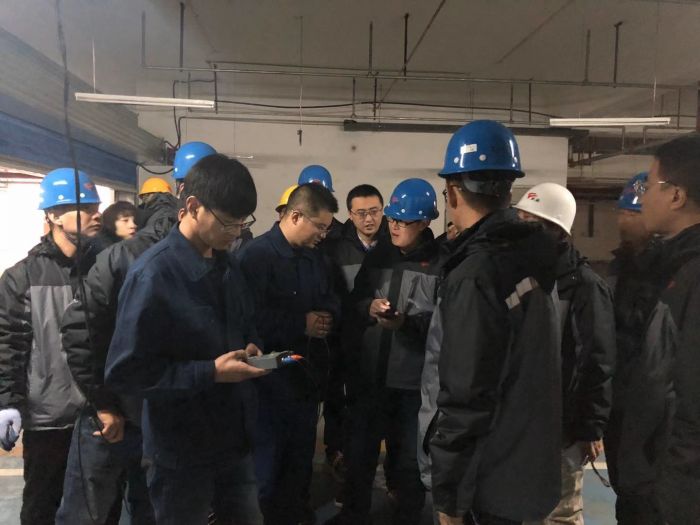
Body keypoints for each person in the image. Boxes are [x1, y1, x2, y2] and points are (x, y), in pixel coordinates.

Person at [104, 154, 266, 525]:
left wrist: (251, 345)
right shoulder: (153, 276)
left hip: (233, 440)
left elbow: (244, 322)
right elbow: (126, 373)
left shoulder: (228, 265)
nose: (237, 232)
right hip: (181, 452)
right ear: (192, 207)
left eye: (243, 222)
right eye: (228, 222)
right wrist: (210, 372)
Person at [422, 120, 562, 525]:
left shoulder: (477, 273)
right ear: (508, 189)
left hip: (487, 484)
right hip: (527, 469)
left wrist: (449, 497)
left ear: (452, 192)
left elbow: (467, 394)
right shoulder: (534, 254)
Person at [56, 169, 181, 524]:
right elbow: (80, 331)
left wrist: (103, 403)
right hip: (122, 413)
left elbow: (79, 332)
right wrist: (104, 405)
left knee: (97, 509)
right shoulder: (121, 257)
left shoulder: (119, 256)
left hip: (127, 411)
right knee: (127, 507)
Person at [327, 178, 442, 525]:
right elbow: (354, 302)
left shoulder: (441, 263)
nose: (392, 226)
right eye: (391, 219)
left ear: (425, 222)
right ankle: (353, 515)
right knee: (360, 455)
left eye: (402, 221)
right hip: (370, 381)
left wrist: (406, 323)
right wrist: (368, 307)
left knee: (408, 463)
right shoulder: (379, 256)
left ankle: (406, 518)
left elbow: (445, 327)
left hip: (413, 387)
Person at [0, 168, 102, 525]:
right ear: (54, 215)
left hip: (99, 414)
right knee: (42, 506)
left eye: (95, 206)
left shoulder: (103, 268)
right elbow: (8, 344)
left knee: (99, 508)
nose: (96, 214)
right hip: (48, 420)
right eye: (84, 207)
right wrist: (8, 402)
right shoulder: (22, 277)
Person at [238, 183, 340, 525]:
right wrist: (300, 323)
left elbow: (329, 296)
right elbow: (246, 320)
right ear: (295, 216)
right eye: (319, 227)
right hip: (266, 388)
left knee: (298, 468)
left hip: (304, 383)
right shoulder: (255, 257)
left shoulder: (314, 257)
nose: (323, 235)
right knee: (266, 472)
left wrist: (327, 315)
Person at [514, 183, 616, 525]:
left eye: (528, 222)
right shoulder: (521, 276)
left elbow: (598, 359)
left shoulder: (584, 286)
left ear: (555, 230)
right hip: (521, 423)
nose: (519, 231)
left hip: (562, 427)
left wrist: (591, 427)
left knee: (560, 512)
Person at [633, 134, 700, 524]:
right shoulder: (676, 268)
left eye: (648, 185)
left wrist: (673, 493)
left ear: (676, 195)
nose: (642, 198)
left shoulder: (693, 276)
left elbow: (691, 400)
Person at [602, 172, 667, 524]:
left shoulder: (673, 272)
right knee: (627, 497)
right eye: (622, 212)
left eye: (632, 213)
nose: (623, 221)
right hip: (621, 406)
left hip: (656, 414)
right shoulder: (618, 269)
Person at [323, 184, 389, 488]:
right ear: (350, 215)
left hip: (386, 345)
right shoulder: (335, 249)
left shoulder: (394, 243)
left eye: (374, 211)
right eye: (361, 213)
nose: (368, 219)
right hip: (346, 343)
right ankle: (340, 461)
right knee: (343, 406)